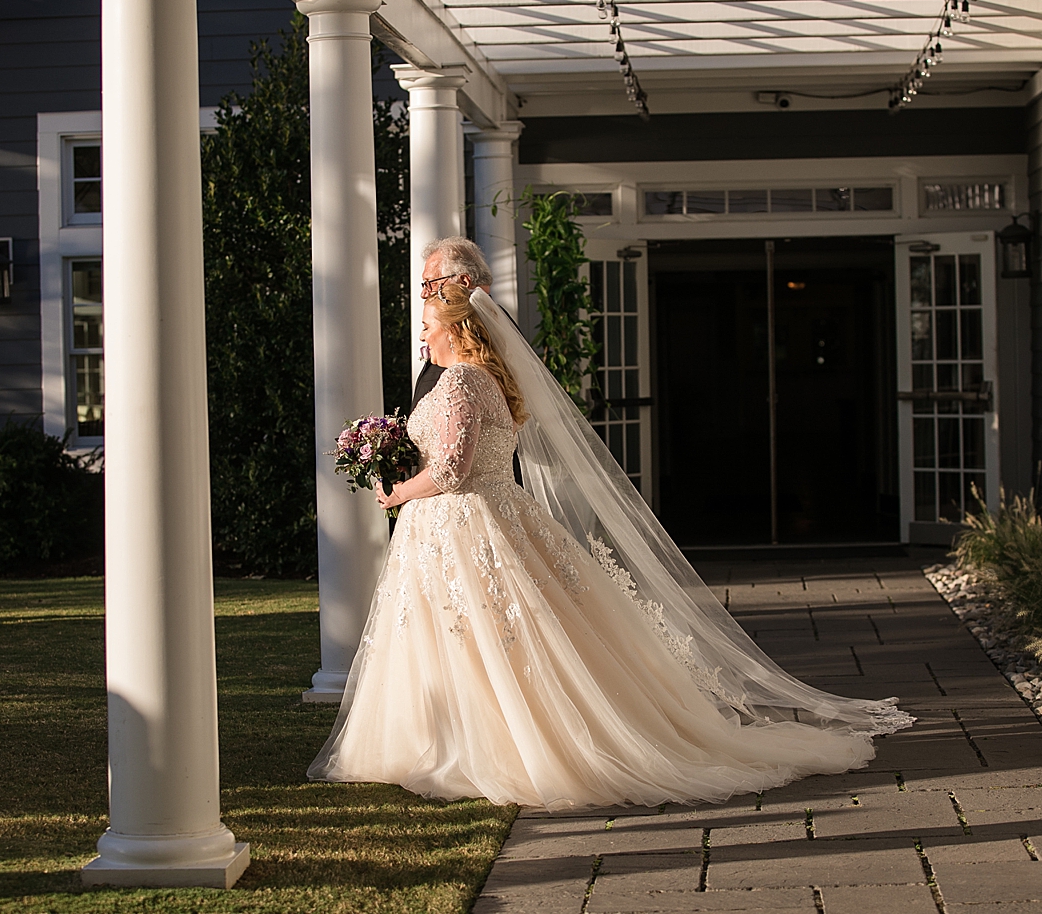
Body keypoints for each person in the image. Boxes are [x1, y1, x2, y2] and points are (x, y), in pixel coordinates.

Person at [308, 284, 912, 811]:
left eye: (429, 325)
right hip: (463, 522)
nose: (424, 337)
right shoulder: (480, 378)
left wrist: (394, 494)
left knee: (485, 635)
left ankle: (485, 744)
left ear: (459, 329)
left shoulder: (466, 379)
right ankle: (447, 734)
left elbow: (455, 469)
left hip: (467, 521)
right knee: (474, 636)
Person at [412, 236, 493, 411]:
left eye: (430, 283)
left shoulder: (480, 330)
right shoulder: (496, 321)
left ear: (464, 282)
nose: (424, 293)